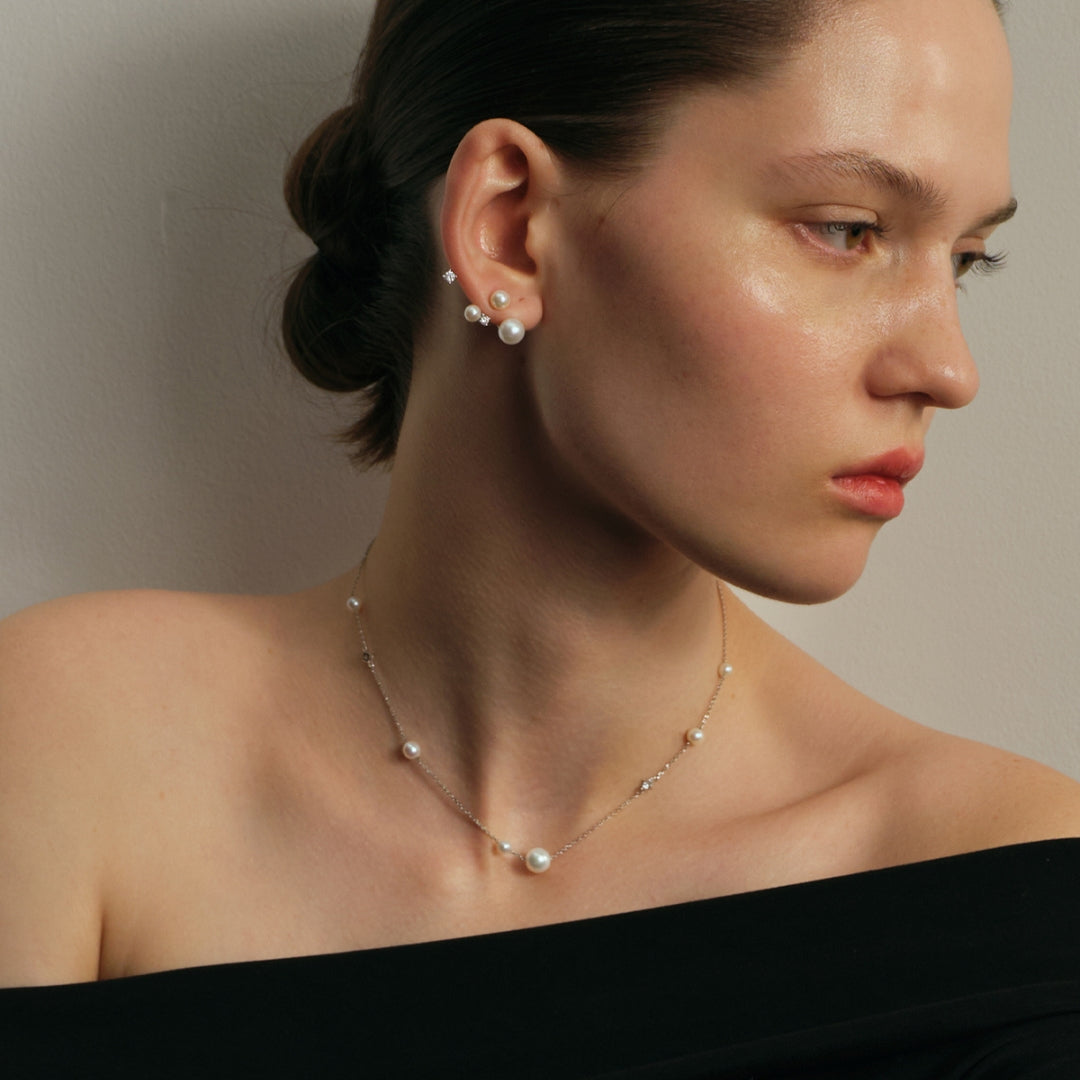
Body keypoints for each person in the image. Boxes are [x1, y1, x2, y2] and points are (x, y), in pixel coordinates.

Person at [2, 0, 1079, 1075]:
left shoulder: (1009, 888)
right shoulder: (66, 747)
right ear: (509, 227)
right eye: (848, 229)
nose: (949, 368)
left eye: (970, 258)